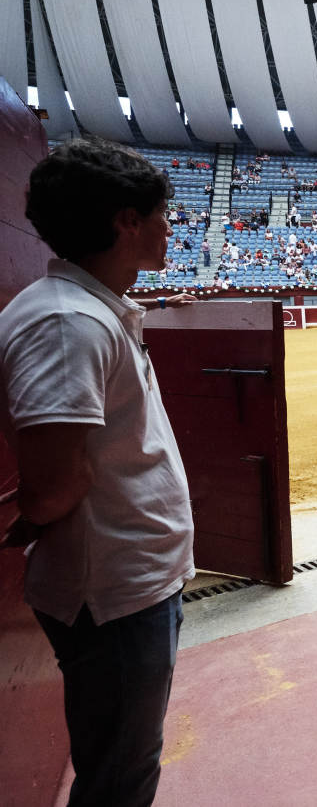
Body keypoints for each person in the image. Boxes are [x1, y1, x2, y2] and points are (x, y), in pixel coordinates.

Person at [0, 138, 198, 803]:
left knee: (120, 760)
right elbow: (56, 482)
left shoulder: (83, 311)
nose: (171, 227)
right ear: (126, 222)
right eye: (160, 213)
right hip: (112, 592)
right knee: (120, 774)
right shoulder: (69, 323)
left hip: (124, 583)